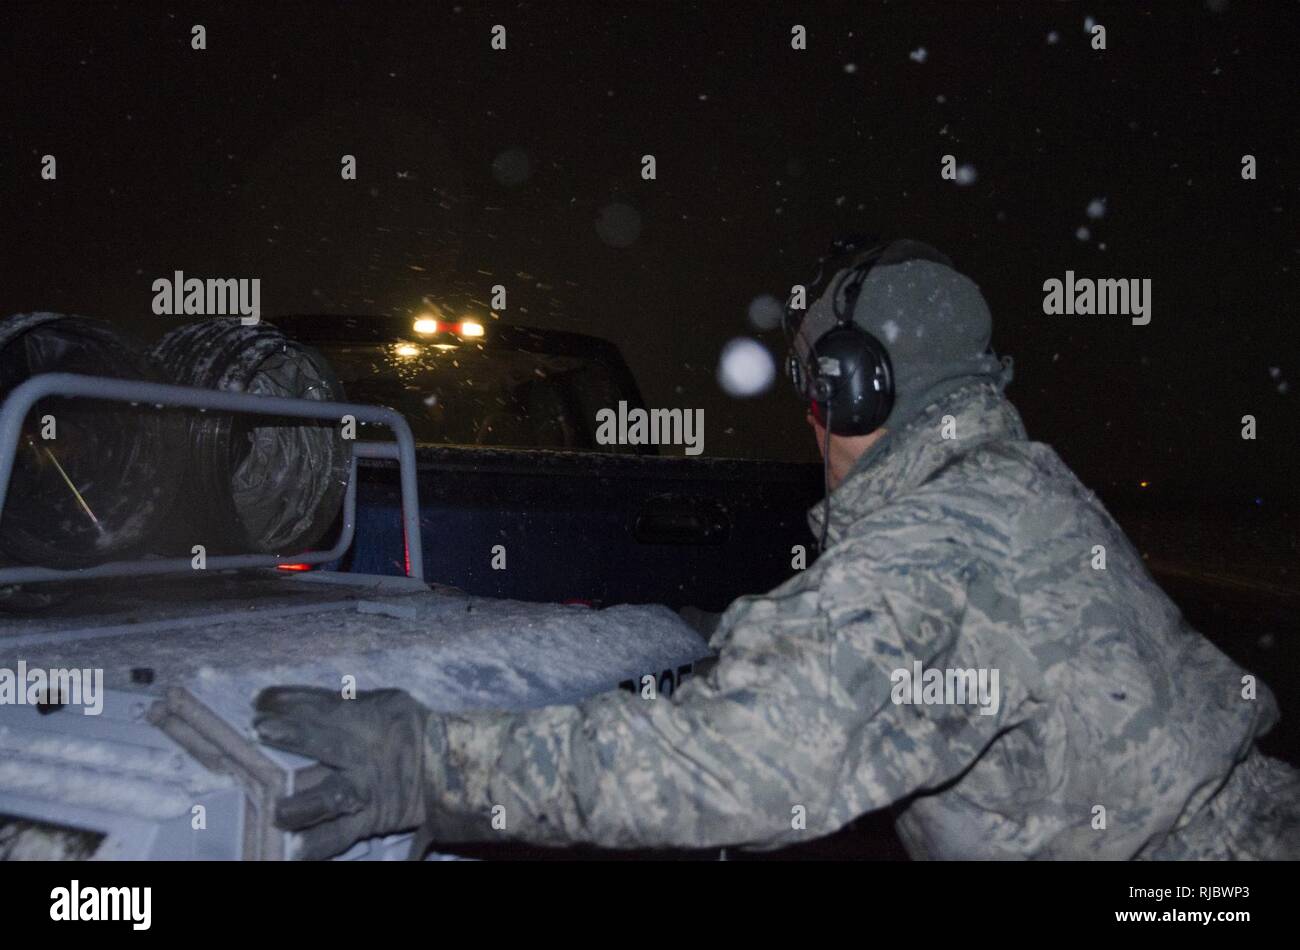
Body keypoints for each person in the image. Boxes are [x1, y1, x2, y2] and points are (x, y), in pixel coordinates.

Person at [254, 238, 1299, 860]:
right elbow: (886, 649)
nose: (808, 418)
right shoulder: (1016, 486)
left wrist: (431, 765)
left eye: (814, 387)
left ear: (854, 385)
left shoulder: (943, 541)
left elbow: (737, 762)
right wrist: (733, 637)